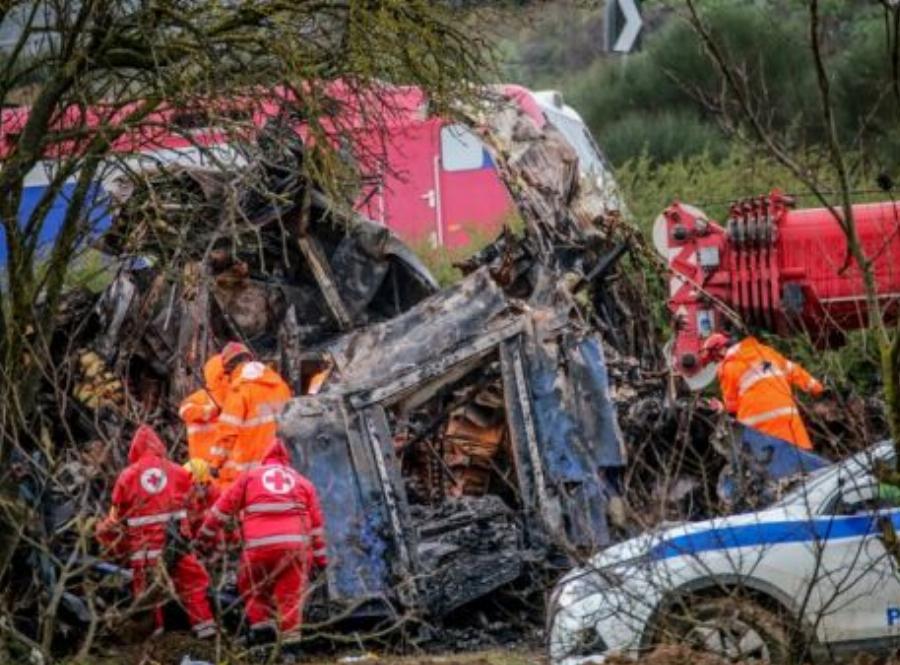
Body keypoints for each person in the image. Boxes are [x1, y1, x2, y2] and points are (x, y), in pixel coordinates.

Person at [196, 438, 327, 645]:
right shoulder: (303, 483)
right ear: (287, 460)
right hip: (296, 549)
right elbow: (317, 529)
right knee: (290, 598)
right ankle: (291, 648)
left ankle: (262, 634)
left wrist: (203, 538)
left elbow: (220, 512)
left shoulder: (250, 477)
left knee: (252, 587)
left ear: (264, 459)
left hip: (259, 548)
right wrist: (321, 562)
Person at [97, 425, 216, 638]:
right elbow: (193, 509)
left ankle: (156, 638)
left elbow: (115, 519)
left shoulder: (127, 476)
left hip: (145, 549)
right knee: (193, 585)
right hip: (177, 545)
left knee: (147, 596)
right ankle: (206, 629)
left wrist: (113, 544)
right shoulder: (179, 472)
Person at [701, 333, 824, 450]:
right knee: (803, 456)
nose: (717, 363)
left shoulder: (727, 367)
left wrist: (720, 408)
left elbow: (732, 406)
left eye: (715, 359)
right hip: (787, 416)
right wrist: (818, 389)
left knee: (769, 460)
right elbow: (795, 371)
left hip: (758, 425)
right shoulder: (765, 351)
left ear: (721, 350)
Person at [213, 341, 292, 486]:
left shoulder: (240, 389)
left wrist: (215, 463)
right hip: (282, 467)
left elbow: (227, 433)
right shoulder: (280, 385)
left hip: (253, 473)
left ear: (230, 367)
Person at [178, 354, 229, 473]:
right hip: (203, 466)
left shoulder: (235, 396)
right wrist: (211, 411)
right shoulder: (200, 397)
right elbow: (184, 412)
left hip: (227, 464)